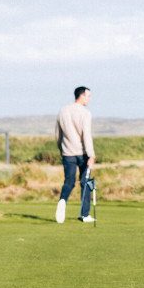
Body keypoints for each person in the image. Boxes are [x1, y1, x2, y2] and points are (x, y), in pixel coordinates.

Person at [55, 86, 96, 223]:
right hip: (83, 153)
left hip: (67, 153)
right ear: (82, 96)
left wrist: (62, 150)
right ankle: (85, 215)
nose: (90, 99)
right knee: (85, 182)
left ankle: (62, 200)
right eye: (88, 96)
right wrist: (91, 155)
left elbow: (58, 135)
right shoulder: (85, 113)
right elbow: (87, 136)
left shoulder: (63, 111)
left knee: (69, 182)